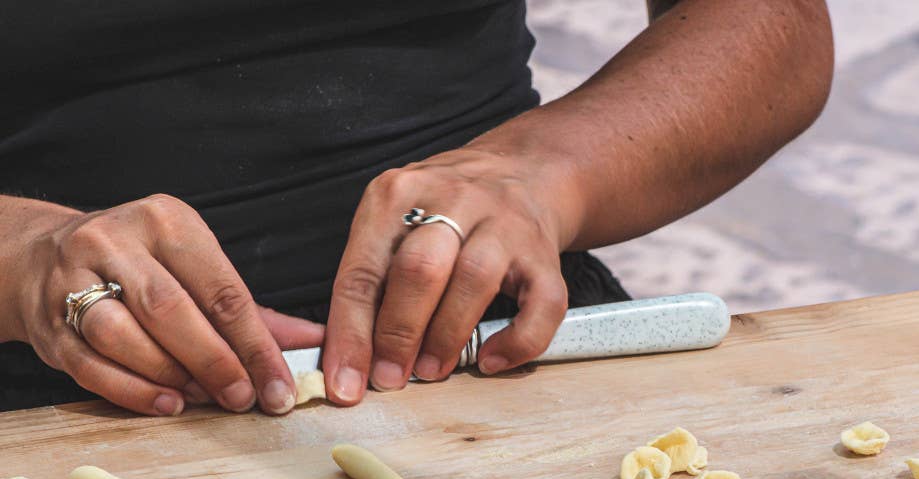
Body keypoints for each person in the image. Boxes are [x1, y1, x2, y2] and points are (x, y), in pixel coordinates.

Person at [0, 0, 834, 415]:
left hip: (494, 332)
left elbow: (773, 26)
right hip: (60, 381)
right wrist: (29, 258)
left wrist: (540, 176)